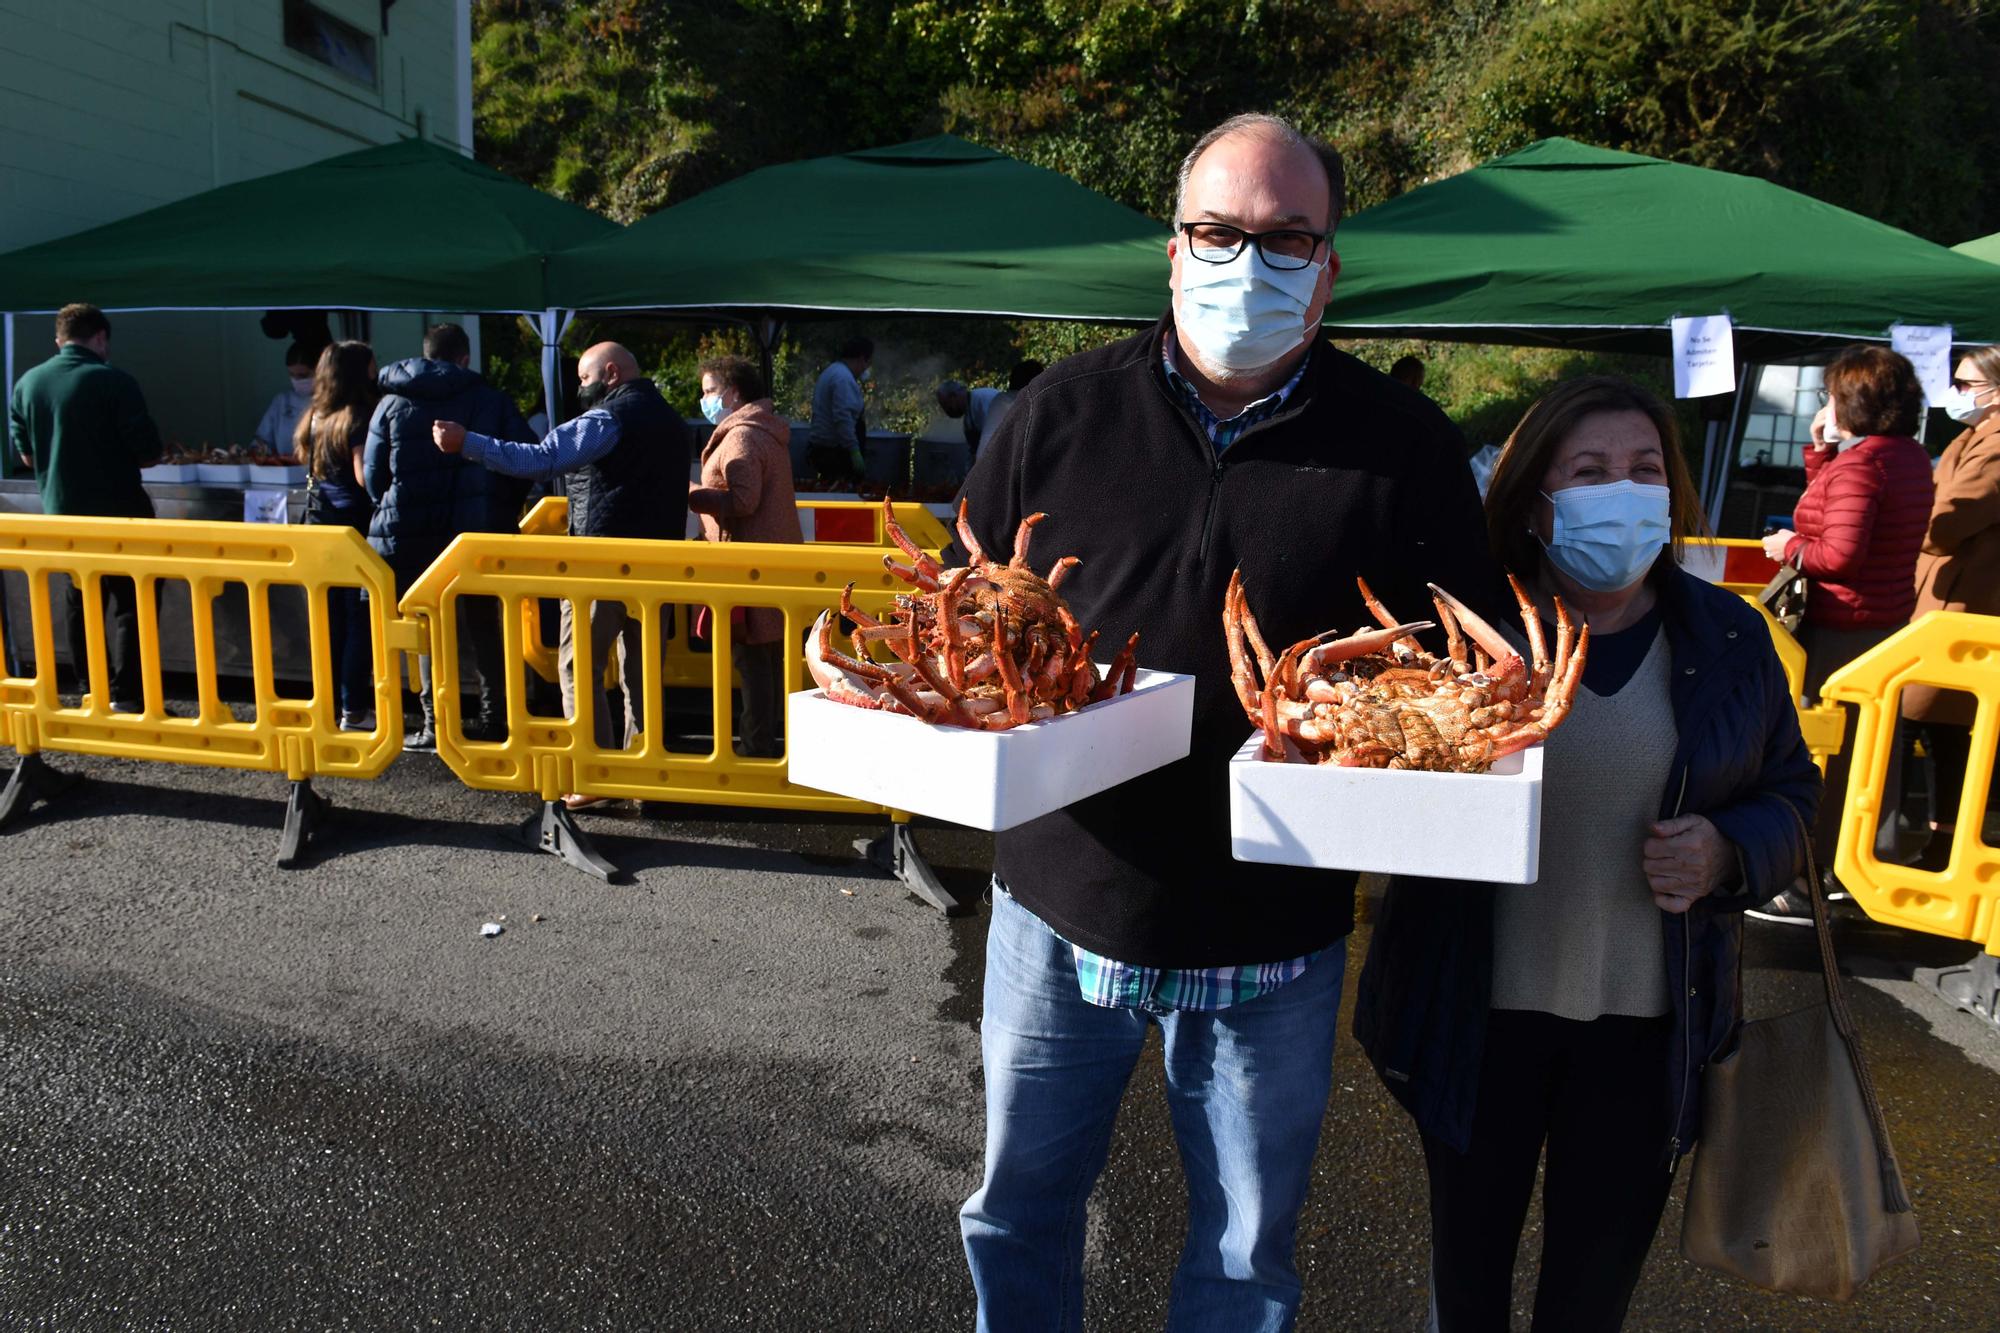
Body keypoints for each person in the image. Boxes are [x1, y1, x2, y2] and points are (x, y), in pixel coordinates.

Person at [953, 113, 1506, 1331]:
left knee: (1247, 1250)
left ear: (1327, 266)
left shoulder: (1401, 445)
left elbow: (1448, 668)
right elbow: (973, 589)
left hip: (1275, 926)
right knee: (1016, 1204)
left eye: (1283, 236)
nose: (1244, 261)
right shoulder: (1056, 412)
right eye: (1217, 231)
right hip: (1062, 896)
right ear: (1170, 250)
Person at [1355, 375, 1819, 1333]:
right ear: (1537, 498)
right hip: (1477, 1015)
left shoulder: (1731, 637)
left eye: (1644, 469)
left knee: (1589, 1300)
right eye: (1591, 469)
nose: (1623, 489)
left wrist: (1732, 849)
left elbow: (1797, 796)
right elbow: (1368, 762)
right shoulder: (1454, 639)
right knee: (1467, 1287)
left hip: (1646, 1030)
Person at [433, 341, 690, 806]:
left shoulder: (608, 419)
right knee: (642, 673)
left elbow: (542, 459)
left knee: (579, 667)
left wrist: (466, 442)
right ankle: (643, 775)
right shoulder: (672, 420)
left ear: (611, 374)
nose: (580, 389)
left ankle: (592, 776)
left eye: (584, 379)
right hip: (660, 568)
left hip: (603, 566)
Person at [1757, 346, 1933, 919]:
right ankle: (1849, 872)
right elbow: (1839, 508)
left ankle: (1810, 879)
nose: (1825, 402)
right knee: (1869, 758)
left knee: (1823, 757)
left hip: (1838, 631)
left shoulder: (1864, 465)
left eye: (1830, 395)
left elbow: (1837, 551)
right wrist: (1822, 452)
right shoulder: (1905, 457)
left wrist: (1788, 548)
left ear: (1853, 401)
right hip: (1883, 625)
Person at [364, 323, 535, 750]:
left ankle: (436, 722)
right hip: (477, 533)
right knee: (484, 626)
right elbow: (526, 460)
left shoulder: (390, 403)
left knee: (427, 627)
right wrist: (497, 503)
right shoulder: (491, 401)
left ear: (424, 354)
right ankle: (495, 718)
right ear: (465, 358)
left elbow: (373, 476)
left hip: (412, 532)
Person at [7, 302, 162, 712]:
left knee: (81, 599)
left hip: (62, 514)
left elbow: (26, 458)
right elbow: (148, 453)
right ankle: (130, 694)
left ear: (59, 340)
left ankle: (90, 689)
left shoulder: (27, 384)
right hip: (121, 512)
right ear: (100, 338)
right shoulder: (115, 382)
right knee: (134, 600)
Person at [1904, 343, 2000, 871]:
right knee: (1942, 730)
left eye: (1966, 384)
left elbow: (1947, 523)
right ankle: (1943, 842)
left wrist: (1900, 528)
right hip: (1945, 600)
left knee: (1947, 730)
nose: (1956, 394)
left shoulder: (1996, 445)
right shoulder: (1971, 437)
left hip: (1966, 607)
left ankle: (1949, 846)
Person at [689, 355, 803, 759]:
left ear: (732, 393)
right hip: (768, 565)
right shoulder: (763, 431)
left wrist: (691, 494)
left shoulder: (741, 436)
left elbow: (743, 499)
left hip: (748, 569)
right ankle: (769, 743)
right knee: (768, 660)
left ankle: (756, 749)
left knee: (753, 662)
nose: (703, 400)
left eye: (708, 392)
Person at [294, 341, 379, 731]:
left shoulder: (315, 416)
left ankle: (328, 706)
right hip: (352, 530)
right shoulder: (358, 417)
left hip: (318, 528)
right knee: (357, 620)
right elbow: (365, 478)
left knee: (328, 623)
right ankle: (354, 709)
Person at [806, 337, 871, 482]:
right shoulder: (843, 379)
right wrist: (854, 450)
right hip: (834, 453)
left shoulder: (833, 371)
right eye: (867, 363)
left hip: (825, 449)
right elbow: (843, 419)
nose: (866, 369)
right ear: (862, 359)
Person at [251, 342, 316, 460]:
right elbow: (261, 442)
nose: (297, 380)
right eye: (292, 375)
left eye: (303, 375)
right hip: (285, 473)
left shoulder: (331, 403)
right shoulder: (282, 402)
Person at [934, 379, 1004, 456]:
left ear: (953, 396)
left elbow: (995, 439)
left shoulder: (983, 400)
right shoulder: (968, 417)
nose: (946, 410)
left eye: (945, 405)